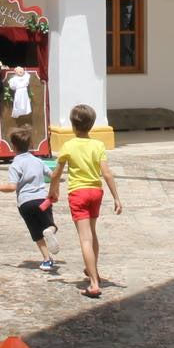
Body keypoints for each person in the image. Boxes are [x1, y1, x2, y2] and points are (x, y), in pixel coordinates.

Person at [46, 104, 123, 299]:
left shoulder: (68, 146)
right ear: (92, 125)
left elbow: (56, 174)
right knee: (92, 233)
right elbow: (107, 173)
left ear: (72, 125)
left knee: (85, 238)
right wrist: (116, 197)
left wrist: (52, 191)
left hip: (78, 194)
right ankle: (92, 271)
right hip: (96, 192)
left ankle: (94, 284)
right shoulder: (97, 145)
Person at [0, 126, 59, 272]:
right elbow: (53, 175)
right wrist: (54, 189)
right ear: (30, 144)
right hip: (42, 200)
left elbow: (11, 187)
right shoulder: (38, 161)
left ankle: (47, 260)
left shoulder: (15, 165)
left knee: (36, 232)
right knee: (49, 225)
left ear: (13, 146)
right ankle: (51, 231)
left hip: (25, 204)